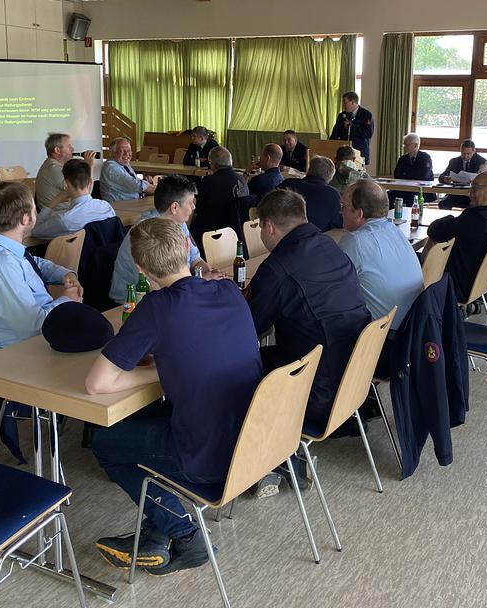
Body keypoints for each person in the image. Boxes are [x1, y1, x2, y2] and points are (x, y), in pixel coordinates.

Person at [87, 218, 262, 574]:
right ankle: (156, 532)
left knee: (104, 442)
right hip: (253, 442)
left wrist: (159, 370)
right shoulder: (228, 290)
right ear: (186, 247)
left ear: (140, 268)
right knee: (147, 419)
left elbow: (96, 384)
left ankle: (184, 531)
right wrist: (172, 367)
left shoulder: (157, 307)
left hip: (206, 457)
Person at [247, 189, 369, 429]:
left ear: (269, 227)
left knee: (236, 364)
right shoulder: (330, 245)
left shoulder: (278, 268)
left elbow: (249, 326)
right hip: (353, 378)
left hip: (316, 392)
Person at [0, 181, 83, 352]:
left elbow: (33, 264)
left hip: (44, 334)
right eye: (34, 209)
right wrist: (66, 301)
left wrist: (64, 274)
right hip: (28, 351)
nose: (36, 213)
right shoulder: (0, 266)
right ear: (24, 219)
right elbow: (33, 327)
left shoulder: (1, 248)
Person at [109, 174, 219, 303]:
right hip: (133, 302)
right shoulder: (147, 234)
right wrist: (202, 281)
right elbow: (159, 288)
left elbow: (195, 259)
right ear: (174, 208)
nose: (194, 207)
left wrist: (210, 272)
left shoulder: (179, 222)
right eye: (190, 203)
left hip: (175, 291)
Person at [339, 180, 422, 324]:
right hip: (414, 323)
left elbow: (330, 287)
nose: (340, 211)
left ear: (359, 213)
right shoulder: (394, 230)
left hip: (384, 332)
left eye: (343, 206)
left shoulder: (355, 241)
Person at [425, 170, 487, 303]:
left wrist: (450, 217)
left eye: (476, 187)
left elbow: (435, 230)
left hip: (456, 285)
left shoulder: (477, 218)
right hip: (482, 282)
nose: (470, 192)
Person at [31, 159, 116, 240]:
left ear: (66, 183)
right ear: (90, 182)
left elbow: (34, 230)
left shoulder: (64, 221)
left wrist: (55, 200)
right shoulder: (106, 207)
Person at [189, 147, 249, 251]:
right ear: (231, 161)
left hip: (213, 234)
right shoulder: (242, 180)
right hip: (238, 233)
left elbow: (195, 209)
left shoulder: (208, 182)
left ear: (212, 163)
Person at [277, 156, 342, 231]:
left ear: (309, 170)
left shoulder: (288, 183)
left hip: (281, 233)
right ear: (330, 177)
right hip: (315, 236)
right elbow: (339, 223)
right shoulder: (333, 195)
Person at [35, 132, 95, 210]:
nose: (72, 149)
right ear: (57, 150)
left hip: (66, 212)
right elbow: (85, 192)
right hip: (60, 214)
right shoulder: (54, 169)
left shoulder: (52, 166)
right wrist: (89, 166)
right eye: (69, 146)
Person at [100, 137, 156, 202]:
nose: (127, 153)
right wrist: (160, 190)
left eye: (129, 150)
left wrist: (144, 181)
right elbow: (136, 185)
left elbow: (132, 183)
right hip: (119, 206)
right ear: (112, 153)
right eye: (122, 151)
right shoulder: (111, 167)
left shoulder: (124, 164)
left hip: (132, 203)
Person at [438, 139, 487, 209]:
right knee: (443, 204)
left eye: (468, 154)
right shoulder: (454, 161)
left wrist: (476, 181)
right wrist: (445, 179)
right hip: (456, 193)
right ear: (460, 150)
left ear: (474, 151)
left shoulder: (481, 162)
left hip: (472, 194)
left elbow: (486, 180)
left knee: (475, 205)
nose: (465, 156)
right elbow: (442, 176)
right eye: (463, 153)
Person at [390, 133, 436, 205]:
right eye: (404, 145)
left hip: (422, 190)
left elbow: (423, 176)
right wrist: (412, 175)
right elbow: (397, 175)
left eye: (407, 145)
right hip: (404, 188)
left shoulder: (425, 157)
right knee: (389, 195)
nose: (405, 147)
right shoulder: (403, 158)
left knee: (412, 198)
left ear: (415, 145)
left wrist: (406, 174)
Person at [330, 91, 375, 163]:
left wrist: (351, 127)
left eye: (345, 102)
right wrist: (330, 145)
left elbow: (368, 133)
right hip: (343, 154)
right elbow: (335, 133)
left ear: (353, 102)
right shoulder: (342, 116)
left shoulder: (366, 115)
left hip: (359, 153)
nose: (343, 105)